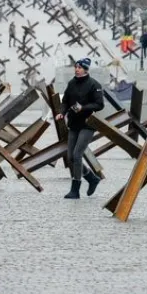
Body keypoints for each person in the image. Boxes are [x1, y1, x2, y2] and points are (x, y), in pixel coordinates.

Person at [56, 57, 105, 199]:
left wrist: (83, 107)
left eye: (79, 67)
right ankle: (92, 178)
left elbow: (99, 104)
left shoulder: (94, 84)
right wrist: (62, 113)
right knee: (71, 157)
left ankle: (75, 190)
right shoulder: (71, 83)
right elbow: (65, 101)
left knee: (77, 155)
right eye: (75, 67)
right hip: (74, 124)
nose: (76, 69)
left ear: (85, 69)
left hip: (88, 124)